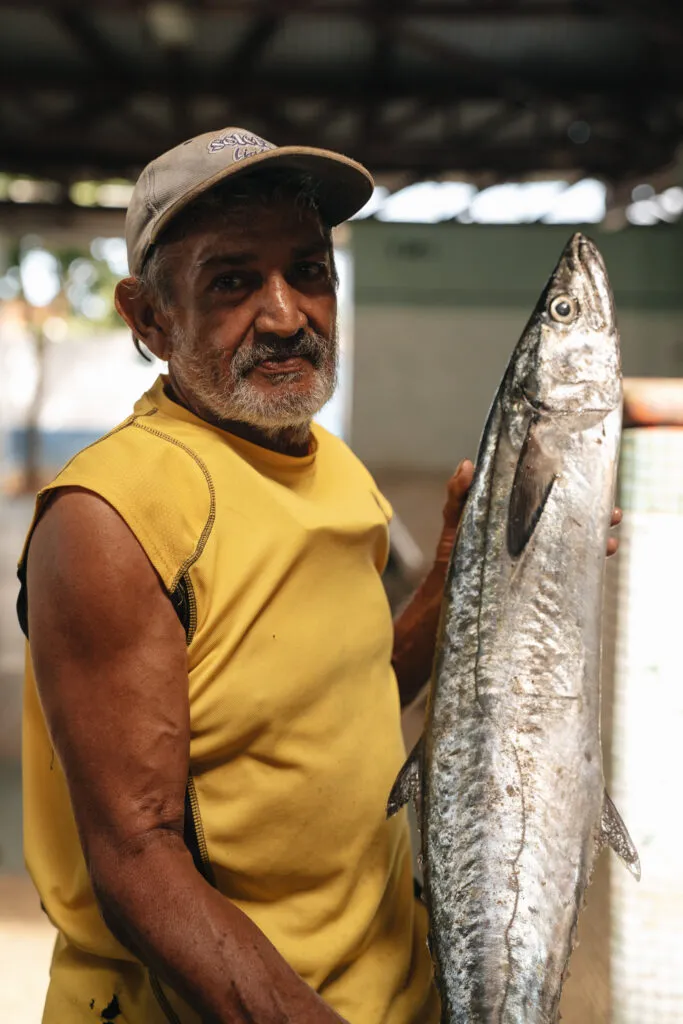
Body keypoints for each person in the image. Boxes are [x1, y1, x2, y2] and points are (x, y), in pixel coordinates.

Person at [17, 127, 620, 1024]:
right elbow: (137, 861)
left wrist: (460, 582)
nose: (285, 313)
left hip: (402, 995)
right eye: (232, 281)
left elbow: (345, 702)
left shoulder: (330, 466)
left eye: (308, 271)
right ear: (148, 318)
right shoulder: (109, 516)